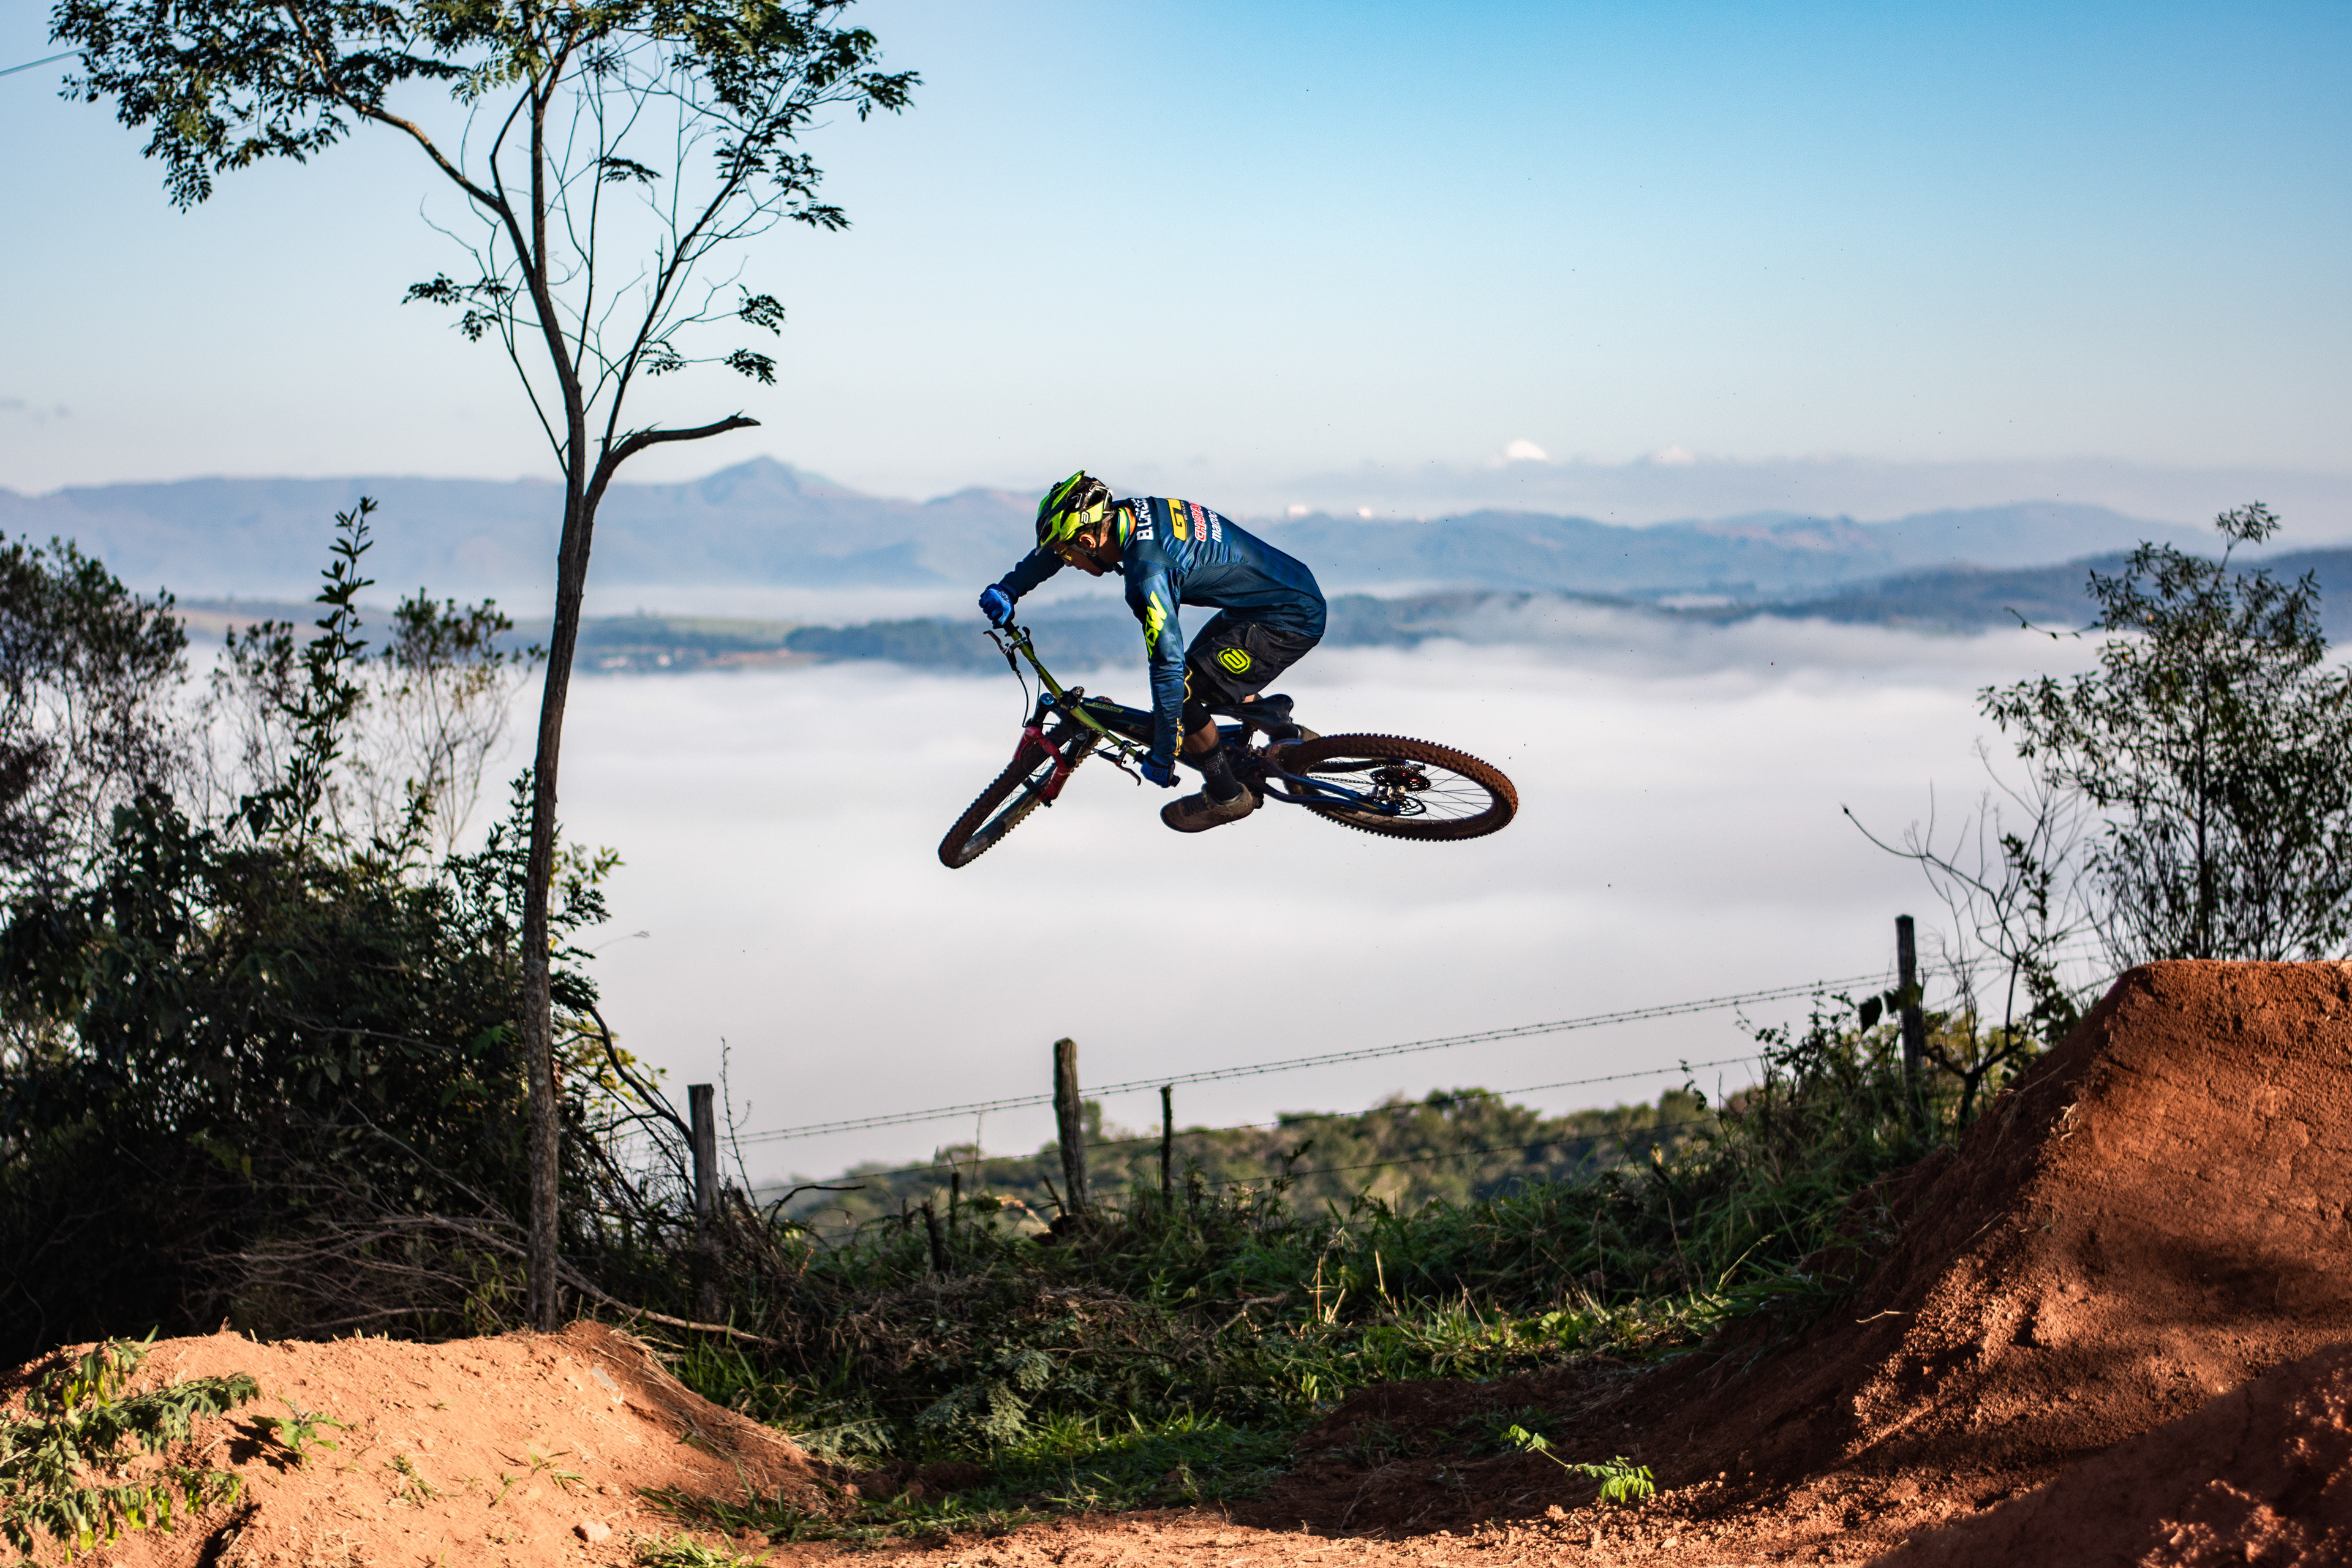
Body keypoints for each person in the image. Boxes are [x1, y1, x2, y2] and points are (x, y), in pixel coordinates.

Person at [979, 472, 1326, 832]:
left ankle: (1227, 796)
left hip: (1288, 620)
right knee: (1204, 678)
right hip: (1270, 601)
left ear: (1087, 540)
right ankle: (1284, 730)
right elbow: (1062, 548)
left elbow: (1167, 666)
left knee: (1185, 692)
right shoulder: (1125, 516)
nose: (1067, 563)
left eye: (1068, 555)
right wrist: (1010, 588)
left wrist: (1163, 753)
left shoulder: (1148, 575)